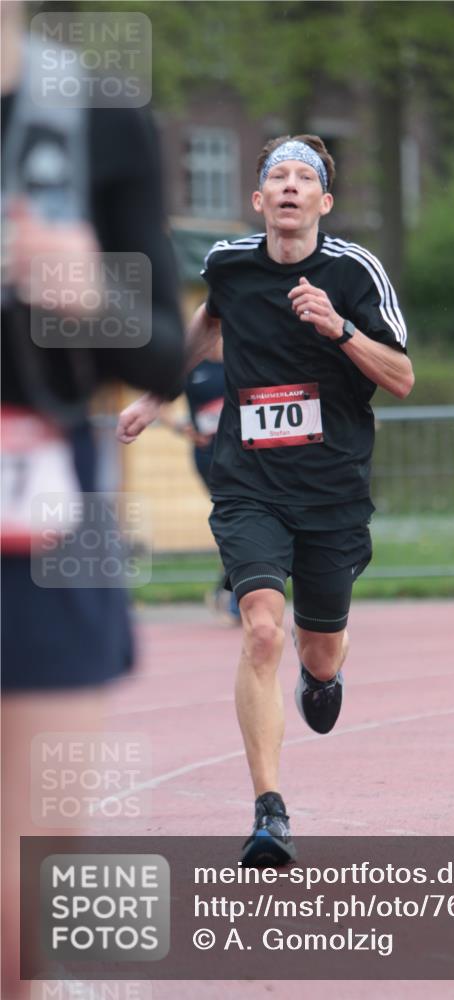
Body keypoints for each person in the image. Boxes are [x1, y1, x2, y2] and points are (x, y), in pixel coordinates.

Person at [117, 134, 414, 866]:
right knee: (259, 632)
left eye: (301, 177)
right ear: (257, 200)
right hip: (249, 482)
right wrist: (157, 395)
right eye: (274, 176)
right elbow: (209, 321)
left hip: (332, 488)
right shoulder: (228, 264)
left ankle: (326, 674)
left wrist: (338, 328)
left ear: (323, 202)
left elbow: (403, 377)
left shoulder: (354, 272)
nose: (287, 186)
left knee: (315, 650)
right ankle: (269, 811)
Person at [1, 4, 184, 994]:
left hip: (41, 514)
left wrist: (89, 294)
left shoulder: (95, 115)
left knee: (25, 903)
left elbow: (163, 345)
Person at [160, 343, 241, 625]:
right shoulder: (193, 367)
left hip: (245, 454)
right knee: (235, 520)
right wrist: (181, 426)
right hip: (209, 457)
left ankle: (228, 591)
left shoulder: (240, 359)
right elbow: (157, 399)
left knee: (242, 521)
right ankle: (231, 594)